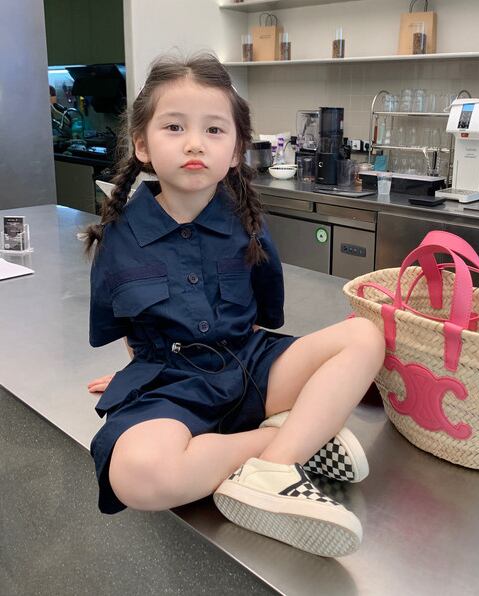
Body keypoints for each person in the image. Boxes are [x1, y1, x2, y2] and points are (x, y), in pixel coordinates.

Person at [84, 53, 386, 558]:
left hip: (250, 368)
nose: (195, 143)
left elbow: (265, 323)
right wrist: (132, 376)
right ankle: (291, 443)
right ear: (142, 144)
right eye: (174, 127)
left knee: (364, 335)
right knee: (136, 475)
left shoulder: (248, 224)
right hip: (172, 386)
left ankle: (274, 467)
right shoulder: (118, 237)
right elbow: (126, 328)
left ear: (236, 149)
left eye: (214, 130)